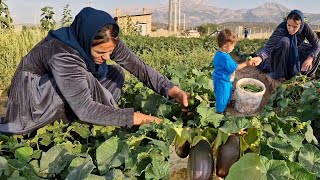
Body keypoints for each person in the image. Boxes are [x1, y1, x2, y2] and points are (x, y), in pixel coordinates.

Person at [0, 7, 189, 135]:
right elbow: (85, 107)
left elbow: (139, 66)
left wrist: (172, 91)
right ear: (85, 40)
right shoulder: (62, 52)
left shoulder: (106, 42)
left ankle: (95, 119)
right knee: (85, 79)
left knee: (114, 73)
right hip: (31, 101)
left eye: (110, 51)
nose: (106, 56)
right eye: (100, 52)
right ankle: (61, 124)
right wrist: (136, 118)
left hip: (63, 89)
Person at [251, 10, 320, 80]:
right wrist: (260, 57)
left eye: (294, 27)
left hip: (296, 50)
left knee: (316, 52)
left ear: (301, 25)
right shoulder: (281, 28)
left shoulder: (305, 28)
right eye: (289, 25)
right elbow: (269, 46)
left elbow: (317, 45)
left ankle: (305, 74)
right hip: (282, 53)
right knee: (285, 41)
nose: (291, 29)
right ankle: (279, 73)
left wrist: (310, 58)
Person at [212, 29, 253, 113]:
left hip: (222, 79)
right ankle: (219, 112)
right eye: (233, 46)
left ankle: (227, 103)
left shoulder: (219, 54)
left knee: (227, 93)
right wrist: (246, 63)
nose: (234, 47)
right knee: (222, 97)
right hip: (223, 81)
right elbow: (235, 67)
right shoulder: (225, 57)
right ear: (225, 47)